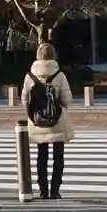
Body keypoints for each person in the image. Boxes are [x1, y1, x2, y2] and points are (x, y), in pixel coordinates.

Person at [21, 41, 75, 201]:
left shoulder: (30, 76)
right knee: (58, 156)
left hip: (38, 120)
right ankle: (55, 190)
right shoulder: (59, 75)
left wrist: (32, 114)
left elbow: (24, 99)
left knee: (41, 156)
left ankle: (43, 190)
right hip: (57, 120)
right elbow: (67, 99)